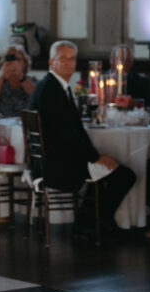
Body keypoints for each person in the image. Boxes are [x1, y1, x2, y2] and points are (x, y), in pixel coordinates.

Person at [29, 40, 136, 237]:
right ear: (52, 62)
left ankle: (89, 221)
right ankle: (96, 221)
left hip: (55, 159)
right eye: (64, 59)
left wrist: (95, 156)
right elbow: (66, 134)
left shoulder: (56, 86)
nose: (70, 63)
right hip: (56, 165)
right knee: (125, 176)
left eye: (73, 59)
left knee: (110, 171)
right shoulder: (51, 91)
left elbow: (74, 131)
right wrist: (95, 157)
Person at [0, 45, 36, 118]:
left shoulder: (32, 80)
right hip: (1, 123)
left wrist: (21, 76)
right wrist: (1, 77)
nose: (14, 63)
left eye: (18, 60)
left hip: (25, 124)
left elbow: (37, 97)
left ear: (25, 63)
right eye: (10, 59)